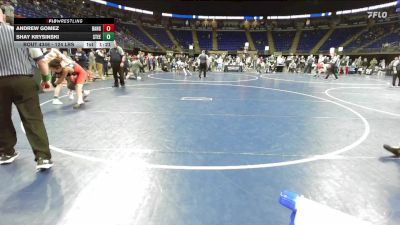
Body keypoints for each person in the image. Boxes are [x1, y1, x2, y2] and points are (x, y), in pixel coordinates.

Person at [0, 8, 53, 169]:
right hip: (23, 80)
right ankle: (42, 157)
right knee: (32, 118)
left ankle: (5, 152)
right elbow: (41, 61)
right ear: (2, 15)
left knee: (1, 119)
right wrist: (46, 80)